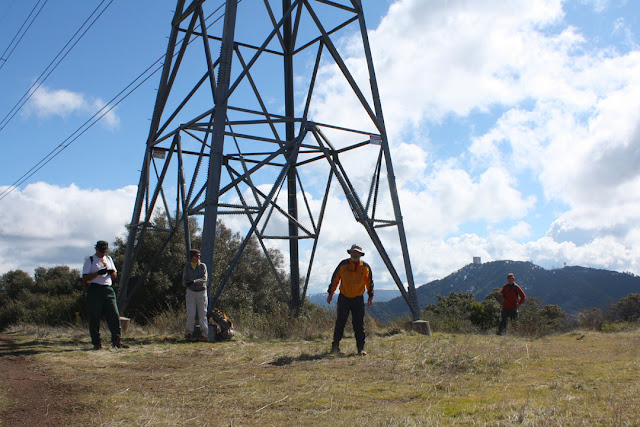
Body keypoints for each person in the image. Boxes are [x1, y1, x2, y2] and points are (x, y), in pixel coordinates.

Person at [327, 244, 374, 355]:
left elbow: (370, 282)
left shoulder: (365, 267)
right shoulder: (343, 264)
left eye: (357, 252)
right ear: (350, 253)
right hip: (344, 297)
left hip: (358, 298)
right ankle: (335, 347)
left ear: (360, 254)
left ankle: (361, 349)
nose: (355, 254)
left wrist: (370, 296)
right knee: (340, 322)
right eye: (353, 252)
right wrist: (330, 294)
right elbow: (335, 279)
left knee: (359, 324)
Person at [82, 240, 129, 350]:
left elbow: (114, 275)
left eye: (105, 250)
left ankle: (116, 341)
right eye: (101, 250)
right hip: (95, 289)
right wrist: (97, 273)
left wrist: (111, 272)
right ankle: (97, 343)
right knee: (94, 316)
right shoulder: (90, 260)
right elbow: (85, 278)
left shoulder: (108, 259)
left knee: (114, 315)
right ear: (96, 249)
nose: (103, 252)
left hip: (108, 289)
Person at [183, 249, 209, 342]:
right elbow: (184, 280)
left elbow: (204, 279)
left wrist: (194, 281)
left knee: (202, 314)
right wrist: (187, 283)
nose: (199, 258)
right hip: (191, 292)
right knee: (191, 314)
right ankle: (189, 334)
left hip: (201, 292)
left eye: (199, 256)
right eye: (197, 256)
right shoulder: (187, 267)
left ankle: (204, 335)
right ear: (192, 257)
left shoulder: (202, 266)